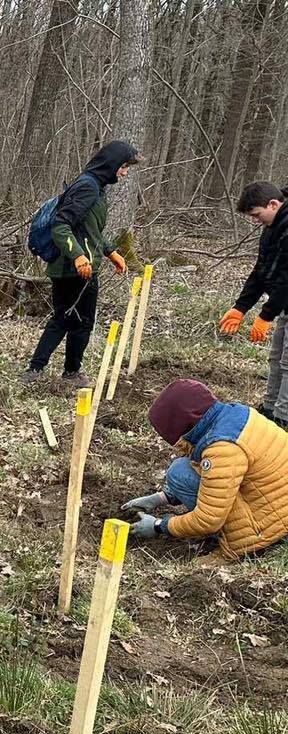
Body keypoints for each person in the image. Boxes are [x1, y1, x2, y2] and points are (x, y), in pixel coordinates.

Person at [122, 378, 288, 557]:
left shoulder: (223, 448)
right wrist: (161, 498)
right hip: (271, 498)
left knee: (180, 473)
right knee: (180, 470)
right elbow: (224, 478)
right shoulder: (232, 417)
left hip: (270, 524)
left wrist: (159, 526)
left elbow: (209, 519)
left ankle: (244, 544)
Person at [24, 140, 138, 387]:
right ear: (112, 163)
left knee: (63, 318)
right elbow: (61, 225)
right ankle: (71, 373)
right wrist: (77, 256)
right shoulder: (88, 187)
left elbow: (89, 231)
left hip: (70, 265)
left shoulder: (92, 185)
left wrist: (111, 252)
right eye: (124, 166)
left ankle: (36, 370)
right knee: (81, 322)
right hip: (77, 269)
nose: (125, 172)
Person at [218, 182, 288, 425]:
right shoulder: (273, 226)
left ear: (273, 204)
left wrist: (266, 315)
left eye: (257, 215)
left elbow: (286, 278)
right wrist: (241, 307)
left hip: (284, 298)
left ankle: (283, 420)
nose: (256, 221)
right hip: (285, 305)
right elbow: (262, 270)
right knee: (276, 358)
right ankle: (269, 409)